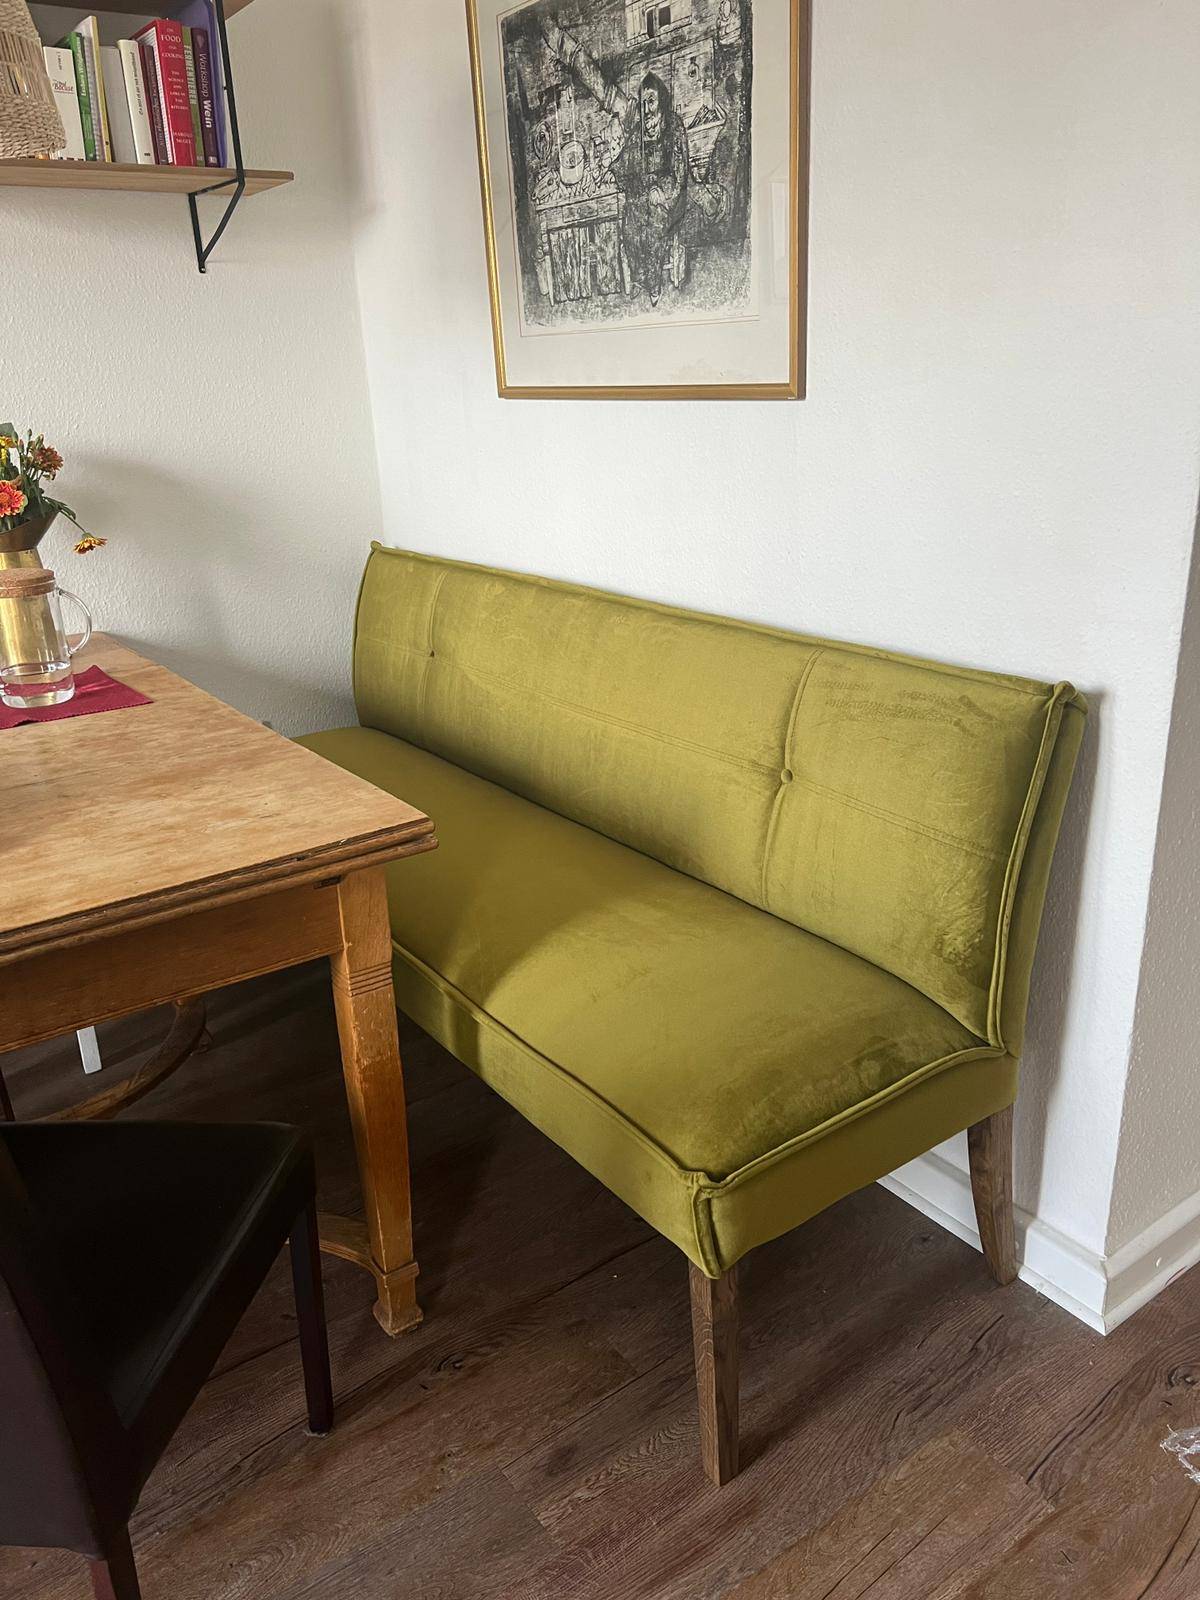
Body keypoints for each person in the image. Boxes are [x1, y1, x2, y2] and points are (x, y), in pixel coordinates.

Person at [541, 21, 689, 305]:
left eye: (651, 101)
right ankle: (640, 278)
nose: (647, 108)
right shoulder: (638, 125)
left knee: (653, 231)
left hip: (667, 198)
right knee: (630, 230)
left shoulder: (674, 126)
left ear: (660, 99)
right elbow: (629, 157)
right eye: (643, 102)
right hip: (641, 195)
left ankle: (654, 284)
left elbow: (680, 172)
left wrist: (664, 192)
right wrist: (610, 169)